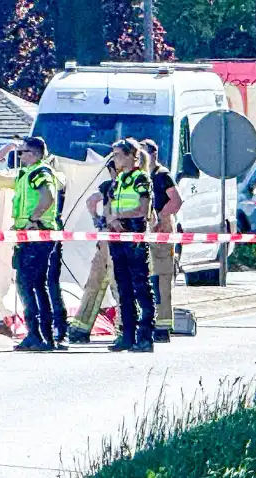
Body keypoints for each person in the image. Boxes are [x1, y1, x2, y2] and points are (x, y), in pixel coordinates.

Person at [0, 136, 61, 352]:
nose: (19, 155)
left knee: (30, 284)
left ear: (34, 154)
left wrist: (33, 219)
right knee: (32, 285)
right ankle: (40, 336)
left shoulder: (40, 172)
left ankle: (39, 336)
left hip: (37, 235)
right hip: (28, 236)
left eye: (22, 152)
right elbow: (3, 181)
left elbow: (48, 197)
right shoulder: (26, 174)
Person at [107, 139, 156, 353]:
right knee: (123, 287)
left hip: (134, 235)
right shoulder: (119, 180)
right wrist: (112, 219)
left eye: (118, 154)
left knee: (140, 287)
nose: (115, 159)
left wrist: (119, 216)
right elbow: (110, 207)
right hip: (118, 236)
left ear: (130, 156)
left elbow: (143, 209)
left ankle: (145, 337)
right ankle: (127, 335)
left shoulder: (141, 178)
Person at [67, 159, 121, 343]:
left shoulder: (107, 186)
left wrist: (96, 219)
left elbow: (91, 201)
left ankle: (80, 330)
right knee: (118, 285)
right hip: (116, 242)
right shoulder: (122, 186)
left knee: (95, 286)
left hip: (105, 242)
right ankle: (124, 328)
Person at [141, 139, 183, 343]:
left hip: (162, 229)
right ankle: (149, 322)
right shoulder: (141, 176)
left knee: (162, 278)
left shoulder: (162, 175)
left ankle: (163, 326)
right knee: (148, 278)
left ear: (154, 154)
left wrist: (159, 217)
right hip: (147, 230)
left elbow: (176, 200)